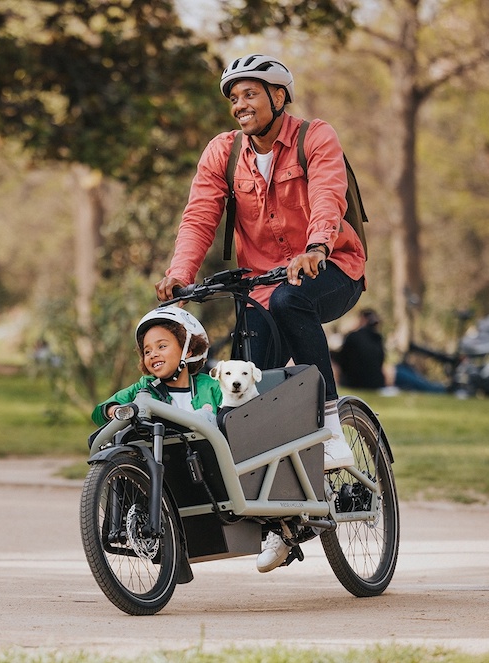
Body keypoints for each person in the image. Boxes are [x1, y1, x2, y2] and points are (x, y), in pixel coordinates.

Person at [154, 54, 363, 470]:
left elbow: (328, 194)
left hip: (333, 267)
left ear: (279, 96)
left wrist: (318, 246)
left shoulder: (316, 137)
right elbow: (199, 216)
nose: (240, 104)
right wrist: (180, 276)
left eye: (250, 93)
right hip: (261, 287)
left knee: (291, 300)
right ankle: (274, 520)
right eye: (234, 97)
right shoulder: (223, 152)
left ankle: (332, 427)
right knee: (244, 395)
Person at [91, 307, 220, 427]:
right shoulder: (144, 388)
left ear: (187, 351)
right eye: (147, 351)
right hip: (157, 450)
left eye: (162, 346)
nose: (153, 354)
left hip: (208, 450)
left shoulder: (209, 386)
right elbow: (98, 413)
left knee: (204, 416)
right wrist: (114, 410)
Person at [334, 308, 386, 390]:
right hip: (376, 383)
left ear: (362, 319)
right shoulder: (378, 338)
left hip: (355, 382)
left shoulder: (353, 336)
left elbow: (342, 359)